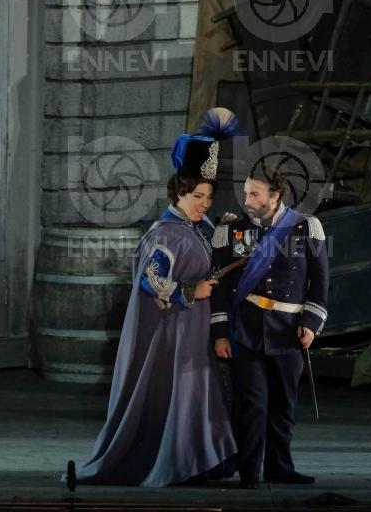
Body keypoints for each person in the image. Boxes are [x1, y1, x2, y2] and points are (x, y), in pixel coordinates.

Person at [71, 109, 241, 487]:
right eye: (198, 196)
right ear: (179, 191)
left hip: (195, 329)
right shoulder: (165, 233)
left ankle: (202, 459)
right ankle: (178, 461)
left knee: (198, 393)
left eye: (209, 196)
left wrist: (222, 231)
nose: (205, 203)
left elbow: (203, 255)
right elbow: (151, 280)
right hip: (174, 332)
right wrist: (189, 291)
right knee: (180, 393)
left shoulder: (197, 223)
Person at [210, 170, 329, 489]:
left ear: (275, 196)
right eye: (246, 193)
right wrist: (220, 332)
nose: (247, 200)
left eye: (255, 194)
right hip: (246, 332)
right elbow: (221, 288)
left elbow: (320, 283)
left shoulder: (306, 227)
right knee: (252, 405)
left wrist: (311, 325)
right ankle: (249, 472)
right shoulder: (231, 231)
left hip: (289, 332)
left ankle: (280, 468)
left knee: (283, 406)